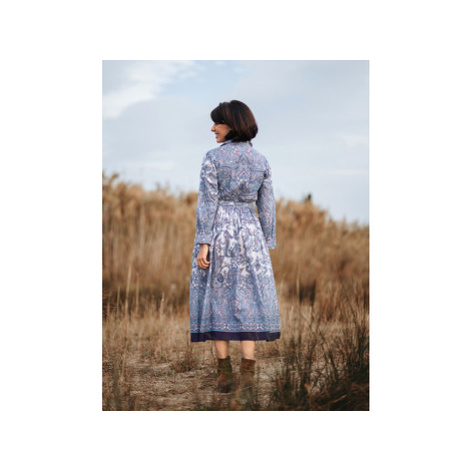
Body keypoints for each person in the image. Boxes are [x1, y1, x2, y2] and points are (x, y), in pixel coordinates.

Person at [189, 100, 280, 404]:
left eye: (217, 123)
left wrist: (204, 242)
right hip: (251, 235)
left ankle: (225, 375)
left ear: (232, 124)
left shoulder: (213, 158)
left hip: (220, 232)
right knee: (250, 299)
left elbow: (207, 203)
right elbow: (267, 205)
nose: (213, 128)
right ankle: (248, 379)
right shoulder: (261, 160)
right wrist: (266, 242)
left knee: (217, 296)